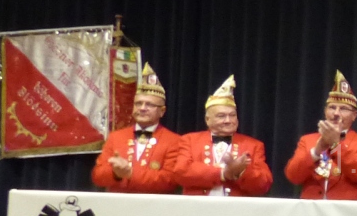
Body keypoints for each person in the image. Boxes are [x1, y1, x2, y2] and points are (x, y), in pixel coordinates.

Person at [91, 62, 185, 193]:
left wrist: (130, 173)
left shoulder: (175, 141)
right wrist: (115, 173)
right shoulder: (116, 137)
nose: (142, 108)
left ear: (162, 111)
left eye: (149, 105)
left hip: (154, 204)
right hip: (118, 203)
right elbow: (97, 177)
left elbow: (170, 180)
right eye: (138, 103)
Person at [284, 70, 357, 200]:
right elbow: (293, 176)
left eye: (343, 109)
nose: (336, 113)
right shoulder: (307, 140)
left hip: (344, 210)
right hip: (311, 209)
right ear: (325, 111)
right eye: (332, 107)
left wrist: (336, 144)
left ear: (354, 115)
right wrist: (316, 151)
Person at [177, 75, 272, 198]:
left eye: (232, 115)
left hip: (236, 208)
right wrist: (222, 173)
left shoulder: (254, 145)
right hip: (197, 207)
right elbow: (181, 173)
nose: (228, 120)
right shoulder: (190, 140)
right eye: (221, 116)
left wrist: (240, 171)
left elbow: (264, 185)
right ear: (207, 119)